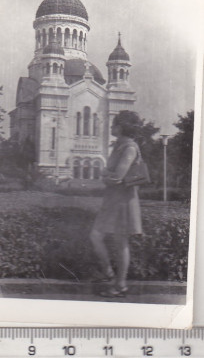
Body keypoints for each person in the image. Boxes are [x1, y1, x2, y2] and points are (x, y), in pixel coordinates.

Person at [90, 110, 143, 297]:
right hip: (113, 199)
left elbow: (117, 177)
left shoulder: (129, 147)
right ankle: (109, 274)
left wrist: (105, 176)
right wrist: (107, 175)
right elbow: (109, 174)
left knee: (120, 242)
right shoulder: (119, 146)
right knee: (96, 235)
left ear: (121, 127)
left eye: (113, 125)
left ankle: (120, 285)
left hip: (123, 201)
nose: (111, 127)